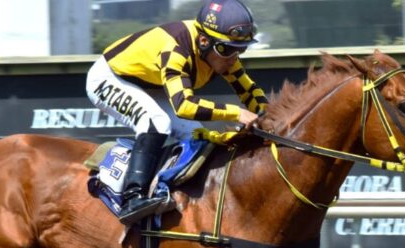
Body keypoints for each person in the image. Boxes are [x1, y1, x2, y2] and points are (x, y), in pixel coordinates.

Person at [86, 0, 268, 225]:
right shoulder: (177, 49)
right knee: (156, 121)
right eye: (227, 49)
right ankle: (134, 197)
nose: (233, 57)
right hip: (109, 78)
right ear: (204, 41)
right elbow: (184, 105)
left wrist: (270, 119)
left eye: (241, 49)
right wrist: (236, 113)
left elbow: (249, 91)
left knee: (197, 135)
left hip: (151, 84)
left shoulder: (221, 54)